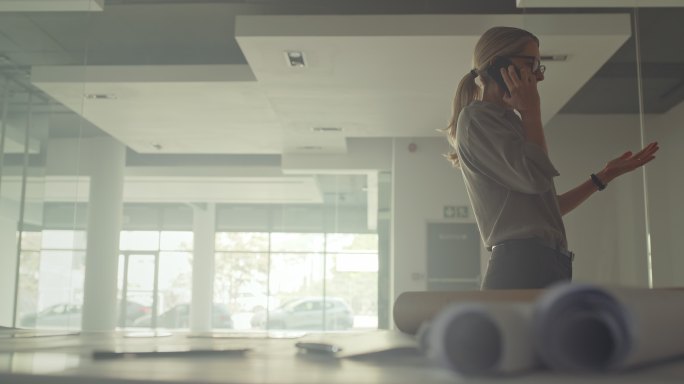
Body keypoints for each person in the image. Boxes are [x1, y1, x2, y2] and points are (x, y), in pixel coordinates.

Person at [444, 26, 659, 290]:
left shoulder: (508, 120)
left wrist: (603, 177)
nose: (538, 76)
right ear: (499, 64)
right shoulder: (478, 119)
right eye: (531, 64)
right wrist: (532, 111)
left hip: (544, 260)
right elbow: (535, 179)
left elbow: (545, 208)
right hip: (522, 264)